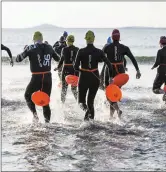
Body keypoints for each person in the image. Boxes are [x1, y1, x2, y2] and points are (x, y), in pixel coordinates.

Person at [15, 31, 59, 123]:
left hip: (36, 78)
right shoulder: (49, 47)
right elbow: (58, 59)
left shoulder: (30, 47)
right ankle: (47, 124)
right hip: (47, 77)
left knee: (27, 95)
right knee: (45, 102)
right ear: (42, 39)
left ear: (34, 40)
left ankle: (35, 116)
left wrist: (25, 49)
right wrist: (50, 50)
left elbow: (18, 59)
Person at [74, 30, 112, 121]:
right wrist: (111, 77)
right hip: (95, 78)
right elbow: (109, 65)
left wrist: (81, 71)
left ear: (86, 39)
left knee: (81, 102)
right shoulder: (99, 51)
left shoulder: (81, 51)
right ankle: (91, 121)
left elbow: (75, 67)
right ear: (94, 39)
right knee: (90, 102)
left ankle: (87, 112)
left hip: (84, 77)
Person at [103, 29, 141, 118]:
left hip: (110, 70)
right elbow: (132, 58)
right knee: (114, 92)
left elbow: (99, 57)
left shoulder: (107, 47)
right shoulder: (124, 47)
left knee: (109, 93)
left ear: (112, 37)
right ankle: (111, 116)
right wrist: (137, 70)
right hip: (120, 71)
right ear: (119, 37)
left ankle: (117, 111)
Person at [54, 35, 79, 103]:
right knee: (74, 89)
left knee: (64, 89)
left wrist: (58, 67)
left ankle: (62, 105)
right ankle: (79, 103)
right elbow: (79, 61)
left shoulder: (64, 49)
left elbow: (62, 60)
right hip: (74, 70)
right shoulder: (77, 49)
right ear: (73, 41)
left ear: (67, 41)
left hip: (65, 70)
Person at [151, 36, 166, 102]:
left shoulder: (160, 51)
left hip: (162, 71)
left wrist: (154, 66)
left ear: (160, 43)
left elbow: (158, 62)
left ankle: (164, 93)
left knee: (155, 89)